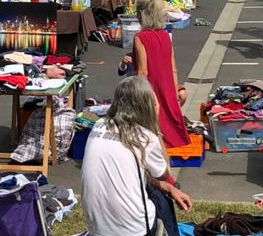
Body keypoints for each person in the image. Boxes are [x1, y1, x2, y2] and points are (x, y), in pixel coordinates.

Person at [81, 77, 192, 236]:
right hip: (134, 230)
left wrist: (169, 187)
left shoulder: (99, 125)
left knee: (154, 186)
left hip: (97, 229)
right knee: (161, 198)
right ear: (147, 106)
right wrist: (155, 127)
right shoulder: (146, 137)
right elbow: (164, 174)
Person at [133, 0, 190, 148]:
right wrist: (174, 88)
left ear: (141, 15)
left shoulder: (140, 38)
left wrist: (140, 94)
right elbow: (173, 68)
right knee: (170, 114)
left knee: (152, 118)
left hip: (151, 84)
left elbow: (143, 71)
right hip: (167, 83)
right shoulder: (165, 36)